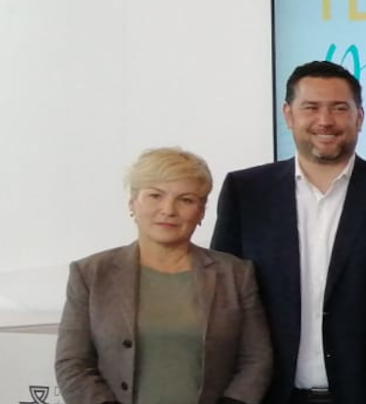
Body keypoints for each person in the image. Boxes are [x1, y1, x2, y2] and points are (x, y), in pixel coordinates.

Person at [211, 61, 366, 404]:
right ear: (289, 115)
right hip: (268, 396)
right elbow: (223, 307)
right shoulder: (246, 192)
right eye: (311, 107)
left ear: (360, 117)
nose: (325, 120)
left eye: (339, 108)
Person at [56, 147, 274, 404]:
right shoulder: (91, 274)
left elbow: (256, 359)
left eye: (186, 200)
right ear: (132, 203)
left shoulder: (235, 274)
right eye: (155, 196)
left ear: (202, 212)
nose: (168, 209)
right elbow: (73, 363)